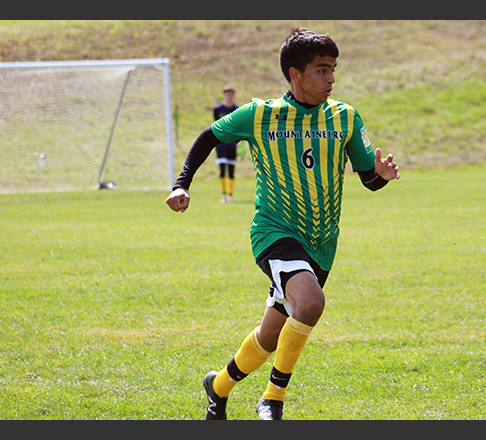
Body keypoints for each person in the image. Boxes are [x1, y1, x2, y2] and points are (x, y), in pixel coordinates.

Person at [165, 27, 400, 420]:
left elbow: (368, 179)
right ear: (295, 74)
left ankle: (217, 387)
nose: (331, 78)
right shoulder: (261, 114)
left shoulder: (344, 117)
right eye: (322, 70)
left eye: (333, 69)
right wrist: (181, 185)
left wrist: (381, 175)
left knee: (270, 336)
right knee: (309, 304)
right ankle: (272, 399)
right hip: (275, 233)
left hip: (322, 243)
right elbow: (208, 137)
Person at [213, 85, 239, 203]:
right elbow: (215, 126)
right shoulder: (218, 109)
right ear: (224, 95)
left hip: (232, 144)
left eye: (231, 94)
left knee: (232, 169)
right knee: (223, 168)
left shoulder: (237, 109)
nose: (229, 96)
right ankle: (223, 195)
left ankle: (230, 195)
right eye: (227, 94)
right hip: (221, 144)